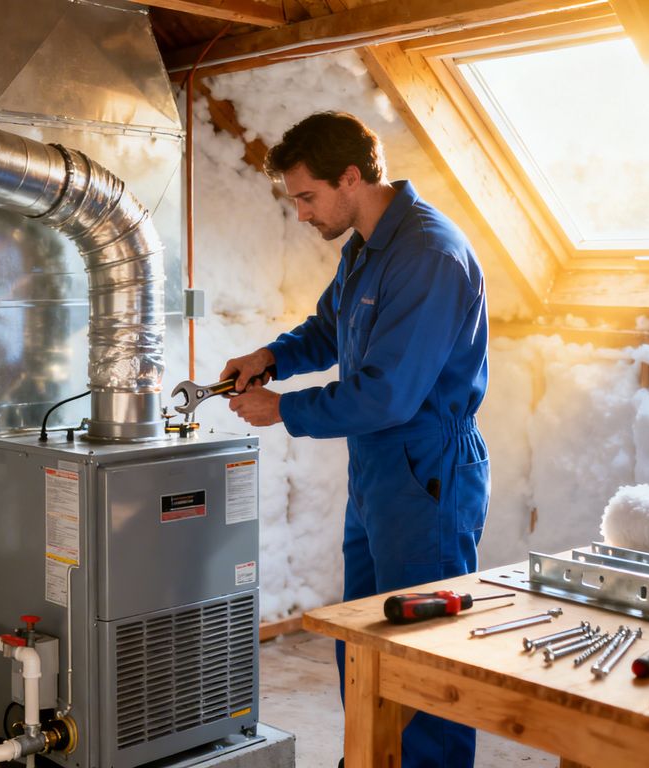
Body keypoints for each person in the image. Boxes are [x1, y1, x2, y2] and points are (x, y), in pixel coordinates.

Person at [221, 111, 490, 768]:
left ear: (351, 177)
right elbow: (326, 331)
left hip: (427, 468)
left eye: (309, 197)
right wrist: (270, 357)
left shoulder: (427, 255)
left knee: (421, 650)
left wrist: (282, 410)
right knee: (363, 638)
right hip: (376, 469)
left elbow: (388, 393)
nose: (305, 214)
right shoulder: (365, 247)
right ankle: (372, 757)